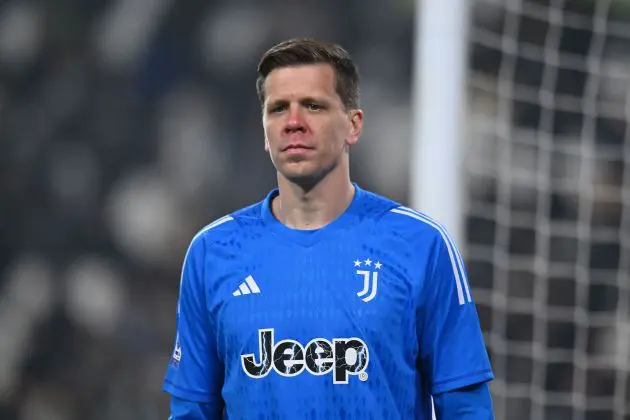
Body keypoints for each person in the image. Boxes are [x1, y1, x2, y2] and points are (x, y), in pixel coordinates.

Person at [163, 37, 494, 419]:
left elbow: (465, 408)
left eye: (314, 106)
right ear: (264, 130)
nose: (294, 123)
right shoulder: (213, 252)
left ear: (353, 125)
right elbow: (192, 410)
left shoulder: (420, 245)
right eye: (278, 109)